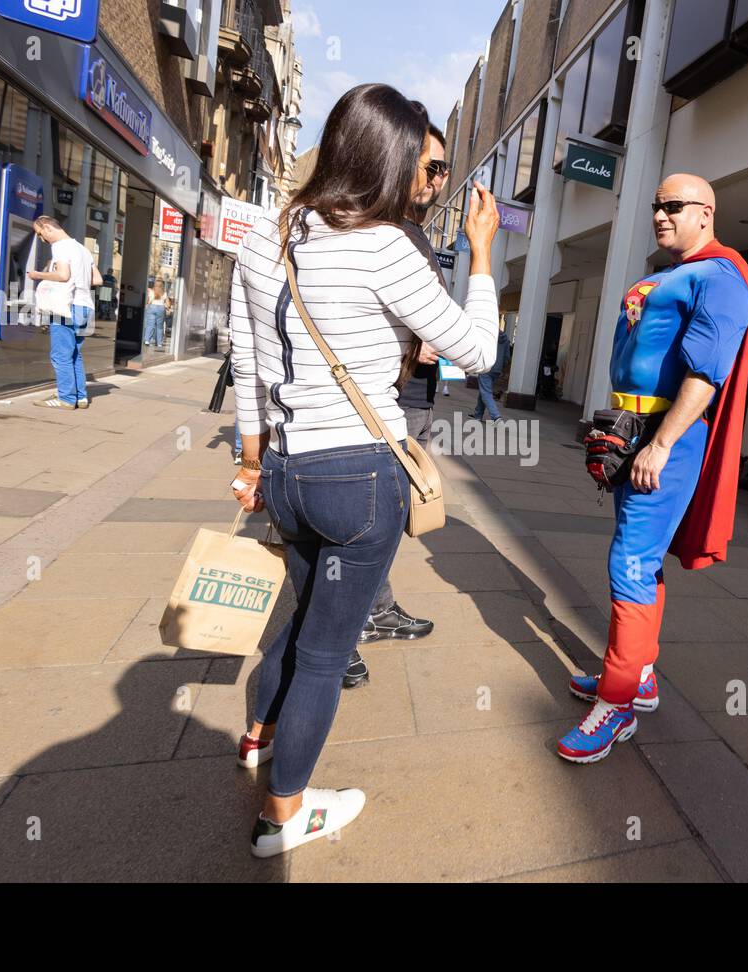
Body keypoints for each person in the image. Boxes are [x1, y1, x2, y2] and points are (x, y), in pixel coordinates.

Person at [227, 83, 501, 857]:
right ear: (390, 155)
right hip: (357, 478)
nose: (428, 175)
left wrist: (252, 460)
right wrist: (482, 257)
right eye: (421, 158)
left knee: (303, 612)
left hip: (286, 471)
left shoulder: (267, 235)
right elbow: (475, 351)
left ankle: (260, 737)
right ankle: (284, 817)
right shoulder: (382, 244)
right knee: (324, 651)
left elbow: (248, 363)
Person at [561, 173, 748, 763]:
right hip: (630, 430)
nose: (660, 215)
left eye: (674, 206)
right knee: (640, 558)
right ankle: (639, 674)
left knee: (630, 562)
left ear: (706, 212)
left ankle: (616, 704)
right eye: (656, 206)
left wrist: (663, 443)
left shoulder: (722, 277)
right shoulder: (665, 276)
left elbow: (706, 371)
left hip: (667, 437)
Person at [344, 116, 452, 689]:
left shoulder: (403, 233)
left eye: (443, 169)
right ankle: (343, 632)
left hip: (399, 398)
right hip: (393, 401)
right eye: (430, 167)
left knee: (381, 520)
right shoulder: (396, 236)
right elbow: (450, 340)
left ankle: (371, 611)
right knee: (375, 521)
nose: (438, 180)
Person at [27, 215, 102, 409]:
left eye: (40, 233)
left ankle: (66, 398)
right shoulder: (83, 250)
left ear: (48, 228)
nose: (41, 238)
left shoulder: (60, 246)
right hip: (86, 306)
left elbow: (62, 275)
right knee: (75, 353)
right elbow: (98, 280)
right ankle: (81, 397)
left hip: (66, 306)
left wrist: (38, 275)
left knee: (60, 355)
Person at [471, 322, 511, 421]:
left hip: (486, 366)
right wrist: (500, 366)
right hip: (496, 370)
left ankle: (496, 416)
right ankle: (478, 415)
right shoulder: (506, 340)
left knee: (486, 392)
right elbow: (507, 357)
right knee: (484, 391)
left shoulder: (488, 337)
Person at [144, 279, 167, 348]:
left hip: (152, 307)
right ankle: (159, 343)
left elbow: (149, 300)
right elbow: (165, 302)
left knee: (150, 325)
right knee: (159, 327)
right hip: (161, 308)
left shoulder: (151, 291)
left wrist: (147, 305)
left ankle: (147, 340)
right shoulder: (164, 293)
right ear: (162, 286)